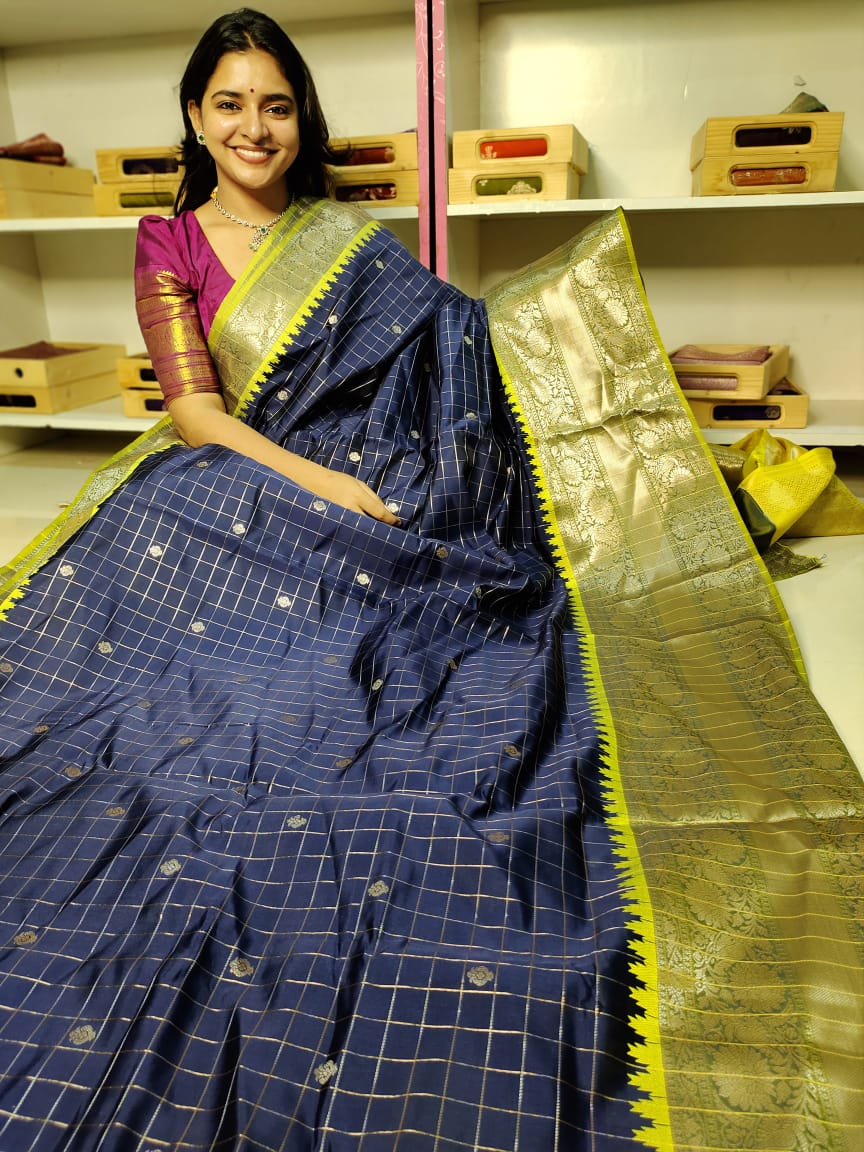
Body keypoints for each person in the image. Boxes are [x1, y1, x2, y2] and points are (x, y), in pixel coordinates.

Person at [0, 9, 862, 1152]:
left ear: (301, 120)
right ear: (196, 118)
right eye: (230, 104)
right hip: (247, 466)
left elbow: (454, 341)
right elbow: (197, 411)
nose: (255, 127)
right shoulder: (170, 241)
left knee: (449, 580)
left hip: (383, 466)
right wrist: (321, 483)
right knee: (179, 553)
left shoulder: (338, 238)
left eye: (276, 105)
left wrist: (550, 335)